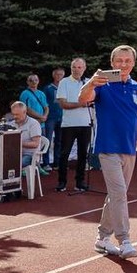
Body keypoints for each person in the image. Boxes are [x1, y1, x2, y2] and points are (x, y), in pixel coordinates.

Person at [79, 46, 137, 259]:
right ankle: (125, 240)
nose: (123, 64)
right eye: (119, 61)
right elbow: (83, 99)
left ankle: (102, 239)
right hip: (107, 149)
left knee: (116, 196)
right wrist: (92, 81)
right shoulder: (102, 85)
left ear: (133, 63)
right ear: (112, 63)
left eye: (127, 61)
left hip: (129, 150)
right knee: (120, 193)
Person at [54, 58, 92, 191]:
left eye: (79, 67)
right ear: (71, 68)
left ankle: (79, 182)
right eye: (74, 67)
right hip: (68, 125)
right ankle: (62, 182)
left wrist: (88, 103)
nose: (76, 70)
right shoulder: (64, 82)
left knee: (83, 154)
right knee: (64, 154)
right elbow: (63, 104)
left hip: (86, 124)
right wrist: (80, 104)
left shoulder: (88, 83)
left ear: (84, 68)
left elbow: (94, 101)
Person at [19, 74, 50, 173]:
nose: (34, 82)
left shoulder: (41, 93)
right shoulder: (25, 94)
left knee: (40, 145)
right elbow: (26, 109)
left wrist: (44, 116)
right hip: (31, 124)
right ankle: (26, 167)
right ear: (28, 82)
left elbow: (46, 107)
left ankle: (38, 165)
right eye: (31, 80)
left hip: (42, 124)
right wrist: (40, 117)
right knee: (31, 145)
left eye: (36, 80)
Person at [9, 101, 42, 171]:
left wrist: (18, 143)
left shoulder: (34, 124)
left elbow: (35, 144)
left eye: (17, 114)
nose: (14, 117)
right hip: (16, 154)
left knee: (13, 164)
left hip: (30, 155)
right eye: (13, 114)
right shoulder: (11, 124)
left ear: (25, 112)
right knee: (0, 162)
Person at [42, 67, 65, 166]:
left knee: (59, 141)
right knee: (48, 140)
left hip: (62, 117)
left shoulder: (65, 87)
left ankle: (57, 162)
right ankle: (46, 163)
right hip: (50, 118)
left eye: (61, 74)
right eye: (57, 74)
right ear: (53, 75)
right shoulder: (48, 88)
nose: (59, 76)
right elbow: (44, 103)